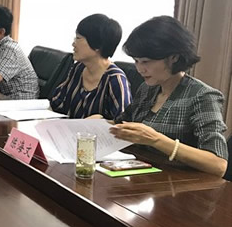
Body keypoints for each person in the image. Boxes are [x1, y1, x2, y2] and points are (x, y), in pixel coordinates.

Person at [110, 16, 228, 177]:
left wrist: (156, 140)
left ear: (174, 57)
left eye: (145, 62)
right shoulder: (147, 89)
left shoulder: (202, 96)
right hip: (142, 178)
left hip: (181, 184)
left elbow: (218, 164)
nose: (140, 69)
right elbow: (123, 123)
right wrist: (100, 123)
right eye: (136, 61)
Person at [50, 14, 131, 119]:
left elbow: (123, 123)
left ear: (97, 44)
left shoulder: (115, 79)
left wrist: (101, 120)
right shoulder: (78, 68)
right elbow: (57, 103)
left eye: (78, 38)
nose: (73, 44)